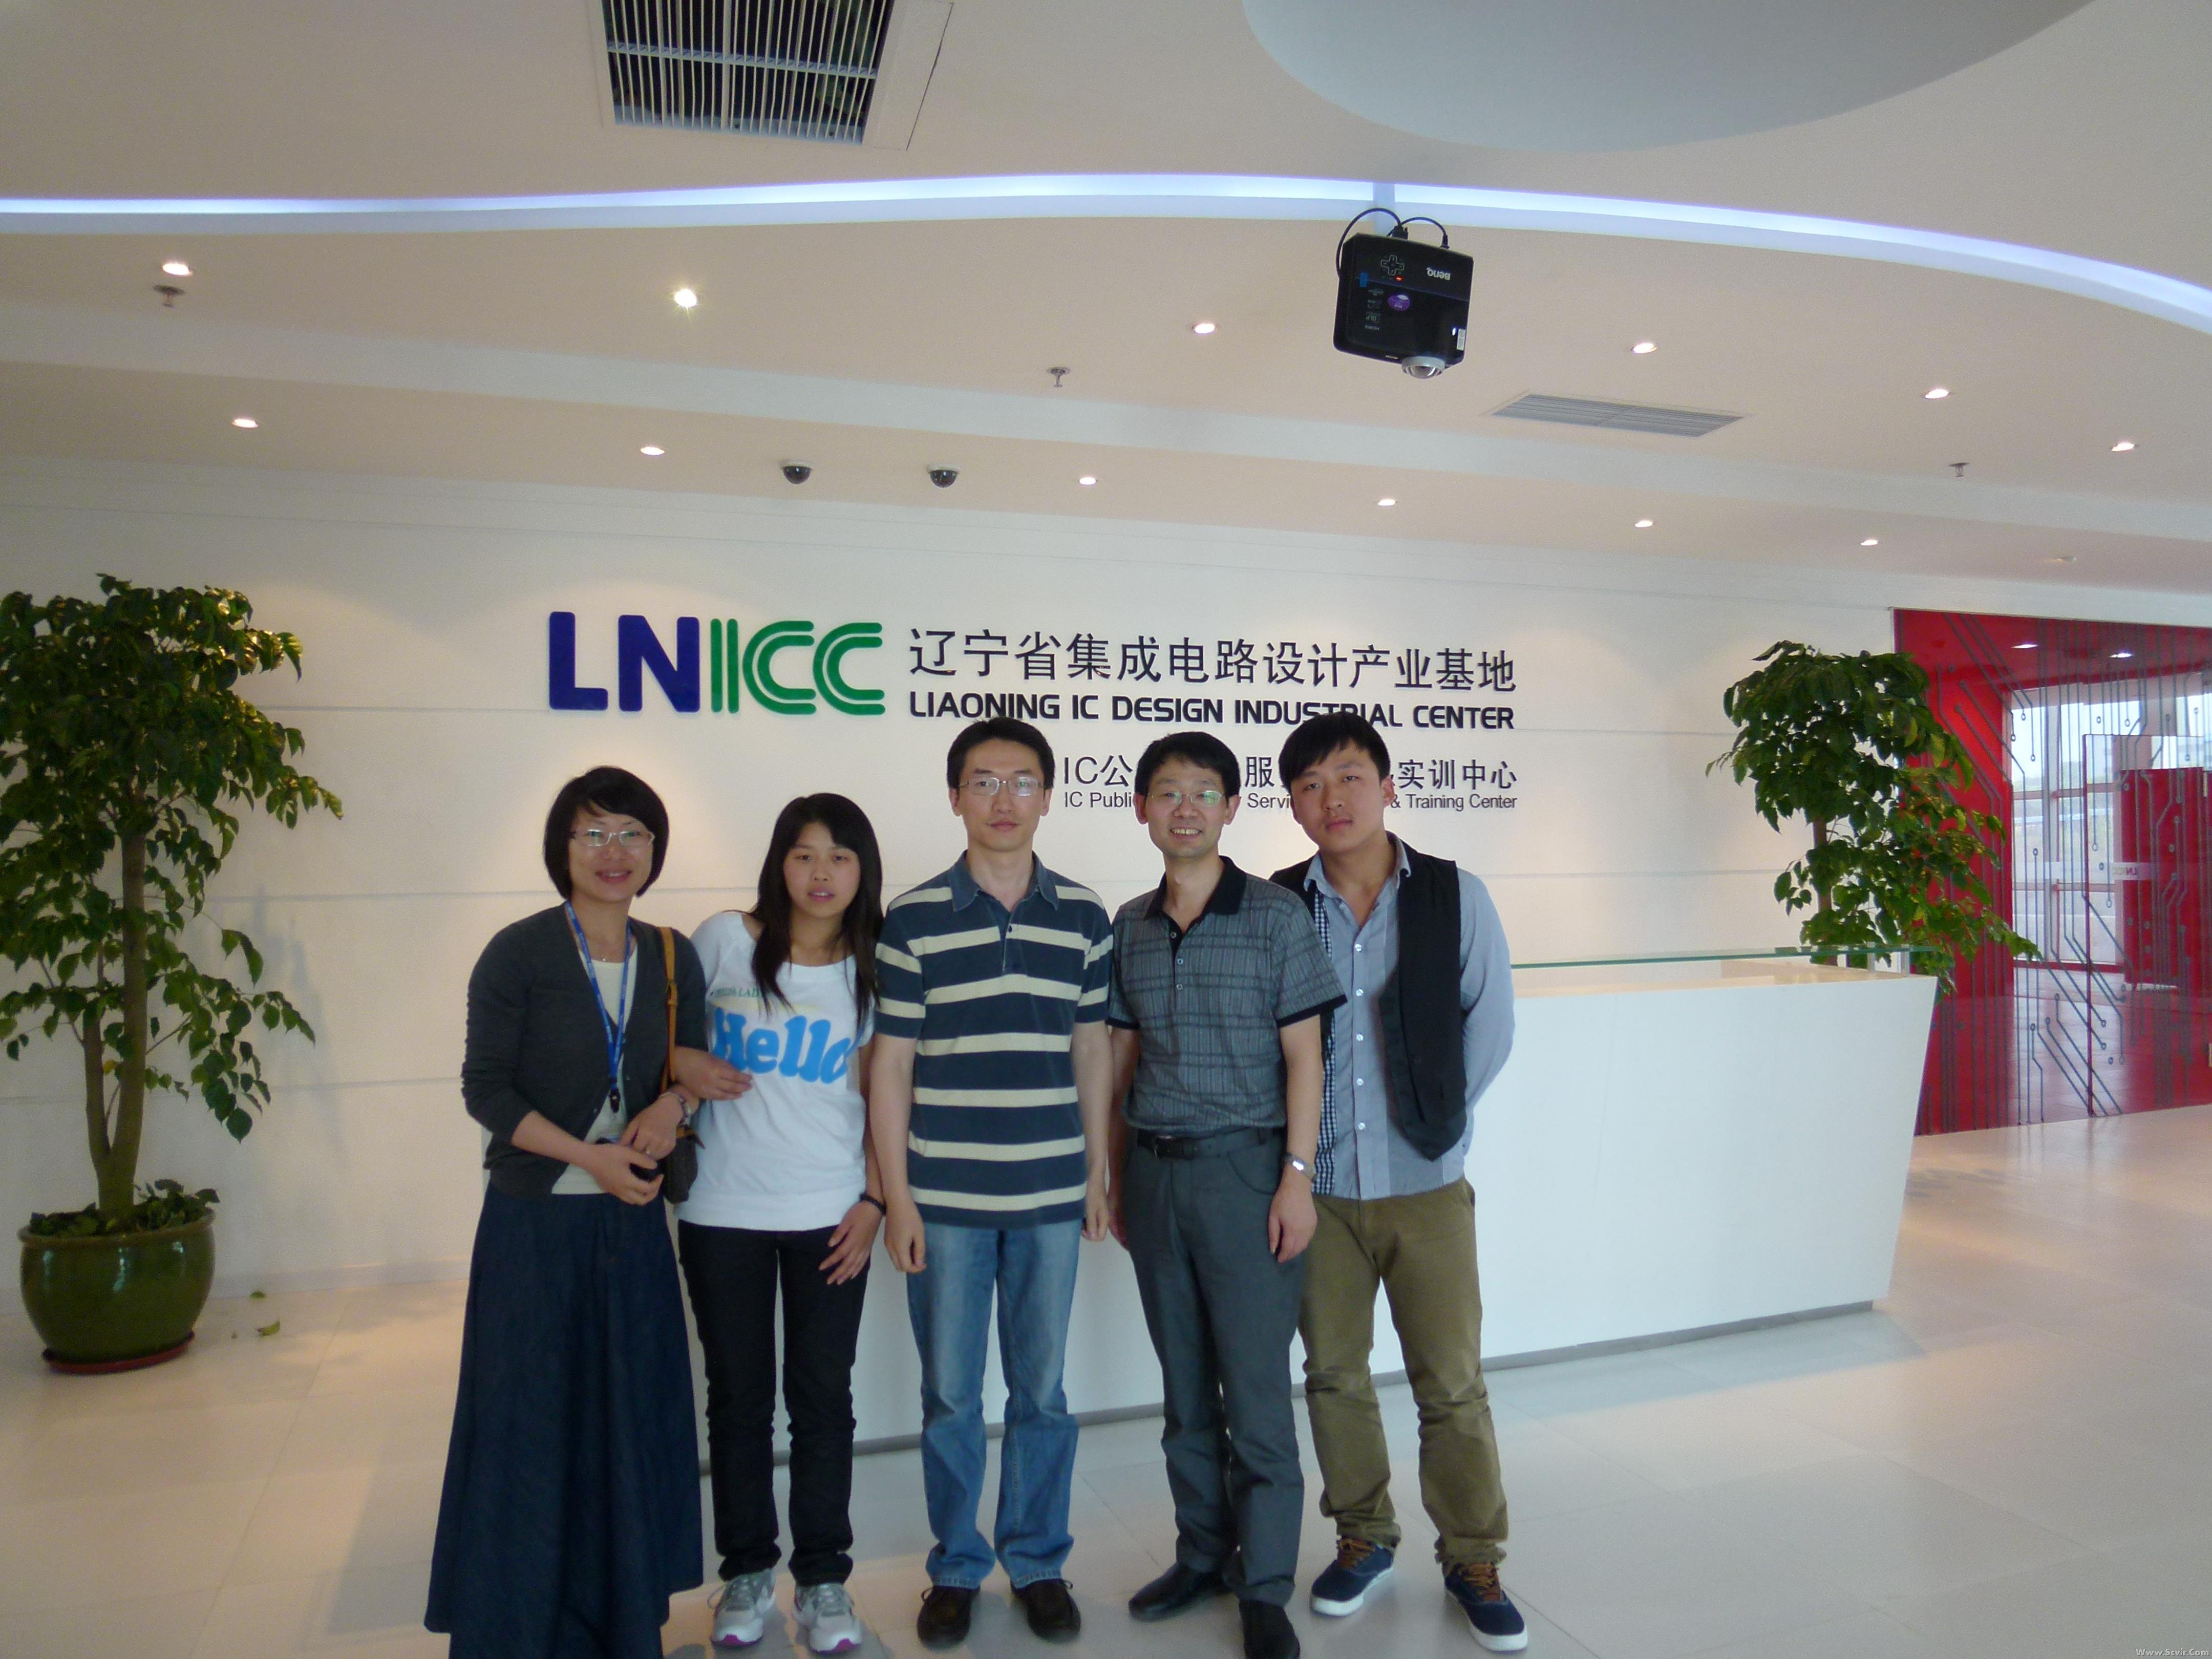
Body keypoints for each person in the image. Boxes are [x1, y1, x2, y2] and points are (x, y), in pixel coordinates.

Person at [430, 765, 744, 1659]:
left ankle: (620, 1619)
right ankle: (522, 1623)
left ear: (655, 850)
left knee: (625, 1424)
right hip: (535, 1227)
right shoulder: (518, 953)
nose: (616, 853)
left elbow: (692, 1066)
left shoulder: (672, 954)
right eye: (595, 833)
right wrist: (587, 1157)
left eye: (633, 834)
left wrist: (671, 1107)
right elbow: (486, 1089)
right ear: (562, 848)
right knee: (529, 1426)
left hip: (631, 1225)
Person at [1270, 714, 1526, 1653]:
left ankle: (1473, 1556)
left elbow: (1489, 1024)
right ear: (1294, 806)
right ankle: (1364, 1536)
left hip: (1426, 1186)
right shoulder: (1279, 905)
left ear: (1387, 786)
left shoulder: (1454, 894)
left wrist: (1434, 1118)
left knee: (1451, 1383)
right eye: (1309, 785)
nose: (1331, 799)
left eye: (1349, 776)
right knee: (1333, 1375)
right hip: (1321, 1191)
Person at [868, 717, 1116, 1649]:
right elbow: (891, 1066)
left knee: (1042, 1393)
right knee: (951, 1398)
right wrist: (898, 1197)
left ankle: (1039, 1561)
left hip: (1050, 1196)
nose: (1003, 800)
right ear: (955, 797)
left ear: (1048, 795)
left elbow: (1091, 1050)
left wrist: (1096, 1172)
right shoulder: (913, 919)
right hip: (946, 1204)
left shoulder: (1084, 916)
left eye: (1021, 782)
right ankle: (957, 1568)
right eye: (983, 781)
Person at [1105, 733, 1344, 1659]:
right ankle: (1203, 1554)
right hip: (1155, 1176)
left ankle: (1265, 1584)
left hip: (1249, 1176)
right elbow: (1123, 1058)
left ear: (1232, 809)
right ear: (1142, 809)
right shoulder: (1130, 923)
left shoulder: (1278, 916)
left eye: (1205, 793)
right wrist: (1115, 1175)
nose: (1186, 809)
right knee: (1184, 1390)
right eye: (1168, 793)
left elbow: (1305, 1060)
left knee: (1255, 1392)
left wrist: (1297, 1180)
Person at [678, 795, 888, 1655]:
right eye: (804, 855)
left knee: (822, 1400)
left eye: (840, 857)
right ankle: (746, 1571)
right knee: (737, 1399)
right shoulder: (724, 941)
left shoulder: (874, 967)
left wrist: (875, 1202)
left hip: (830, 1215)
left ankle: (825, 1580)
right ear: (779, 863)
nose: (821, 873)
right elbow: (661, 1036)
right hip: (721, 1208)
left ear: (863, 870)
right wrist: (683, 1063)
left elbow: (887, 1096)